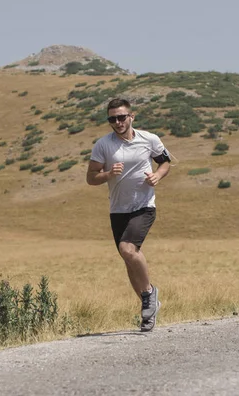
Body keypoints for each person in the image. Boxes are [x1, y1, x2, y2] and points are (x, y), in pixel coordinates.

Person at [86, 98, 171, 332]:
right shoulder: (103, 145)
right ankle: (150, 310)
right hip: (118, 210)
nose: (117, 122)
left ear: (131, 116)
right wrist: (108, 174)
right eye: (112, 118)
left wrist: (158, 176)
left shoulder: (149, 139)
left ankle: (149, 295)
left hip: (144, 206)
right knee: (129, 259)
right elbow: (91, 178)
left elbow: (165, 162)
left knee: (128, 249)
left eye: (121, 117)